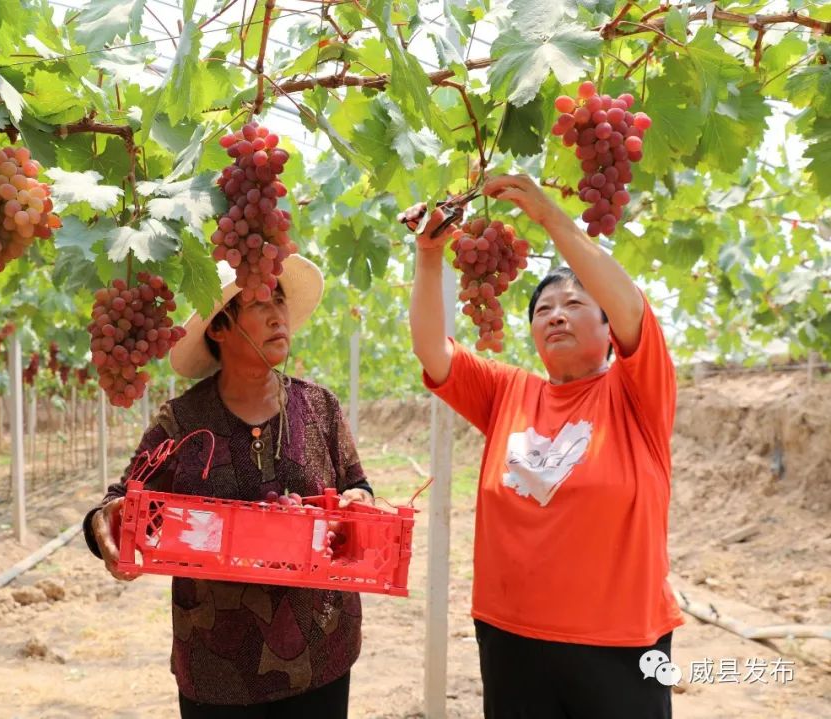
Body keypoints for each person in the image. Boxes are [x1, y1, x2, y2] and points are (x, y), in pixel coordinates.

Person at [404, 174, 683, 719]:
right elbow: (432, 349)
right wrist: (429, 257)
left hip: (621, 642)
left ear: (609, 329)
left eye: (574, 303)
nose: (555, 314)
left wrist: (552, 218)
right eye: (542, 309)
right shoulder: (508, 391)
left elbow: (631, 306)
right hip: (511, 636)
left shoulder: (637, 393)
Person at [83, 255, 374, 718]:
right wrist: (105, 523)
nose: (278, 315)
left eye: (281, 301)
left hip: (320, 654)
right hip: (216, 669)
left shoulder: (320, 407)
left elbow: (357, 484)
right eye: (261, 303)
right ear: (219, 327)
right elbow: (119, 503)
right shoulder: (182, 421)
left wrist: (360, 501)